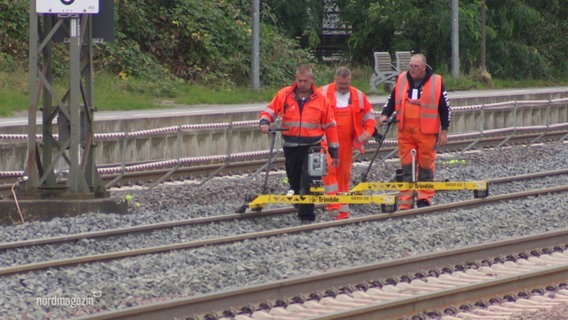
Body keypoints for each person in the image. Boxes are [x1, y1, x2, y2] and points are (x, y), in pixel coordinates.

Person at [259, 64, 339, 223]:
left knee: (309, 180)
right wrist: (264, 121)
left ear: (312, 80)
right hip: (291, 146)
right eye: (300, 80)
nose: (302, 84)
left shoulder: (321, 100)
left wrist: (333, 151)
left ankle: (307, 216)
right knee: (294, 179)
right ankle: (297, 197)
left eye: (305, 81)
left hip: (313, 146)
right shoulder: (284, 95)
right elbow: (270, 110)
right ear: (296, 79)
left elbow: (330, 126)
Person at [378, 53, 451, 210]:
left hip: (426, 133)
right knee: (406, 166)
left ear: (424, 68)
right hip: (405, 132)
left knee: (426, 166)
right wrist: (385, 114)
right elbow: (391, 99)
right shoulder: (402, 79)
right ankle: (406, 201)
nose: (412, 69)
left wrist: (444, 130)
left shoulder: (436, 82)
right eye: (410, 66)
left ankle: (424, 198)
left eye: (415, 67)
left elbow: (445, 108)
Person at [319, 67, 376, 220]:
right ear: (335, 80)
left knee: (343, 175)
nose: (343, 87)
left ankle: (342, 212)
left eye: (346, 84)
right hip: (326, 139)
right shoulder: (322, 93)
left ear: (350, 81)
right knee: (328, 167)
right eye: (340, 84)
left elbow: (370, 116)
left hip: (346, 141)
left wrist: (368, 132)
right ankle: (333, 204)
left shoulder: (358, 95)